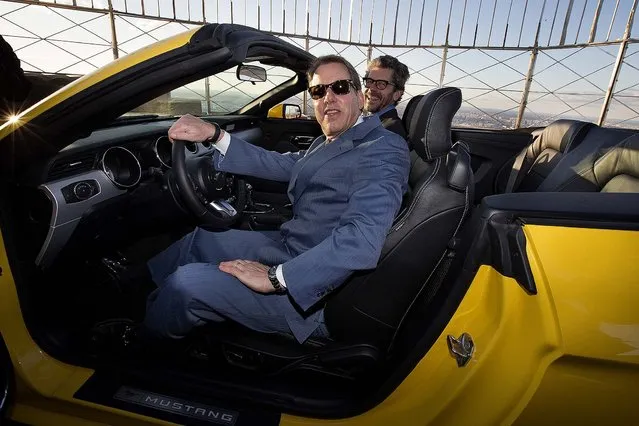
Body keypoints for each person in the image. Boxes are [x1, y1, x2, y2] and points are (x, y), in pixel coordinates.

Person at [135, 55, 411, 344]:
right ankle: (139, 291)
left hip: (312, 296)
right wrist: (215, 135)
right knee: (202, 238)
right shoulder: (332, 139)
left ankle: (144, 345)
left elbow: (362, 238)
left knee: (186, 285)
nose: (328, 98)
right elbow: (282, 164)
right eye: (318, 91)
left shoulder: (383, 148)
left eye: (339, 87)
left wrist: (276, 278)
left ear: (357, 93)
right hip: (290, 246)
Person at [362, 55, 410, 139]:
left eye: (381, 83)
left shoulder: (390, 133)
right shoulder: (376, 124)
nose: (371, 88)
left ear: (397, 94)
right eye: (369, 81)